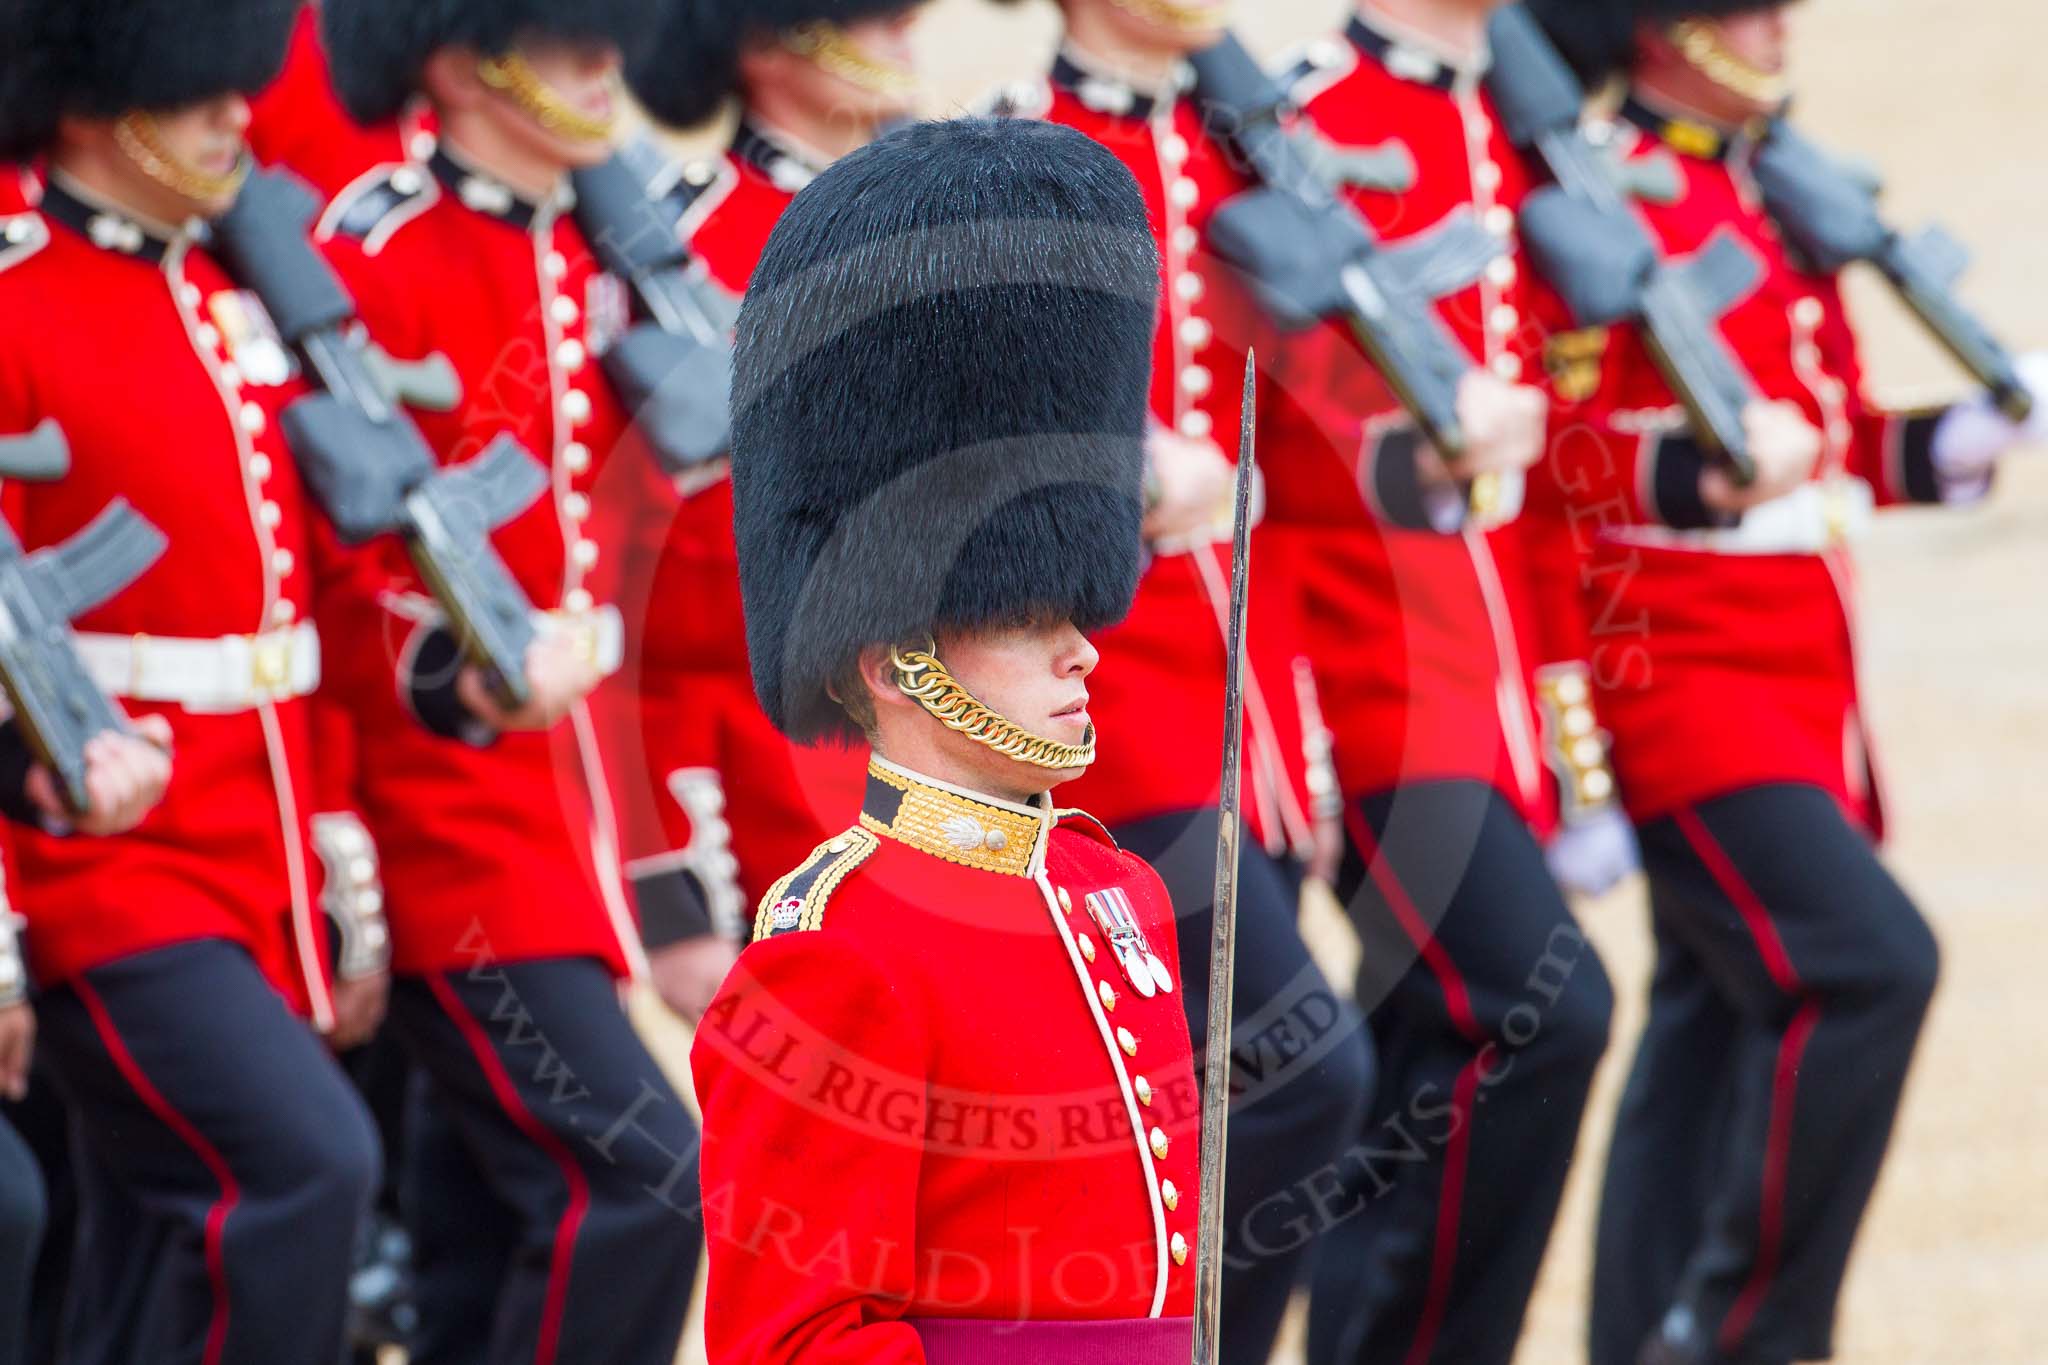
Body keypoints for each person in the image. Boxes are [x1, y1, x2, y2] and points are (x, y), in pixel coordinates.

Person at [1515, 3, 2047, 1362]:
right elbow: (1556, 459)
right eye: (1739, 9)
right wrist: (1696, 475)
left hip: (1797, 678)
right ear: (1658, 33)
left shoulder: (1755, 188)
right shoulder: (1593, 200)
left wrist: (1962, 434)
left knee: (1710, 1018)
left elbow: (1830, 448)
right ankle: (1752, 1332)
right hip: (1678, 683)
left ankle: (1645, 1331)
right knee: (1871, 966)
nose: (1772, 26)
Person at [695, 114, 1201, 1362]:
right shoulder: (839, 950)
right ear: (893, 656)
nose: (1082, 649)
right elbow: (797, 1335)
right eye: (1025, 621)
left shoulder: (1115, 890)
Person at [980, 3, 1376, 1358]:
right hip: (1119, 719)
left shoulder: (1227, 148)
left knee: (1216, 1105)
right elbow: (979, 443)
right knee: (1303, 1074)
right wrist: (1125, 477)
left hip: (1241, 700)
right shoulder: (1020, 158)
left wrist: (1290, 732)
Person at [312, 2, 703, 1361]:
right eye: (567, 43)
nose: (608, 67)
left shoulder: (603, 246)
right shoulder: (374, 252)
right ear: (464, 57)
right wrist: (457, 678)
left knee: (486, 1231)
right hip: (449, 825)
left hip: (572, 816)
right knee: (643, 1182)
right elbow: (323, 568)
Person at [0, 1, 390, 1358]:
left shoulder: (229, 302)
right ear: (103, 102)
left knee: (142, 1249)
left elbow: (299, 626)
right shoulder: (14, 296)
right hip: (98, 866)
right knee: (300, 1171)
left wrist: (332, 850)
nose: (241, 113)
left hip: (252, 844)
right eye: (199, 93)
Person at [1244, 2, 1620, 1360]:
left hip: (1486, 696)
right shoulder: (1297, 116)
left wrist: (1567, 734)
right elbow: (1257, 428)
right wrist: (1415, 443)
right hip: (1368, 693)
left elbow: (1542, 495)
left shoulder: (1503, 120)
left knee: (1419, 1072)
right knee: (1543, 1014)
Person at [605, 0, 935, 1027]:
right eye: (868, 20)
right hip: (752, 782)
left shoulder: (937, 217)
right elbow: (645, 597)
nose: (899, 40)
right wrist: (670, 883)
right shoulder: (676, 248)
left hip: (925, 759)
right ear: (770, 42)